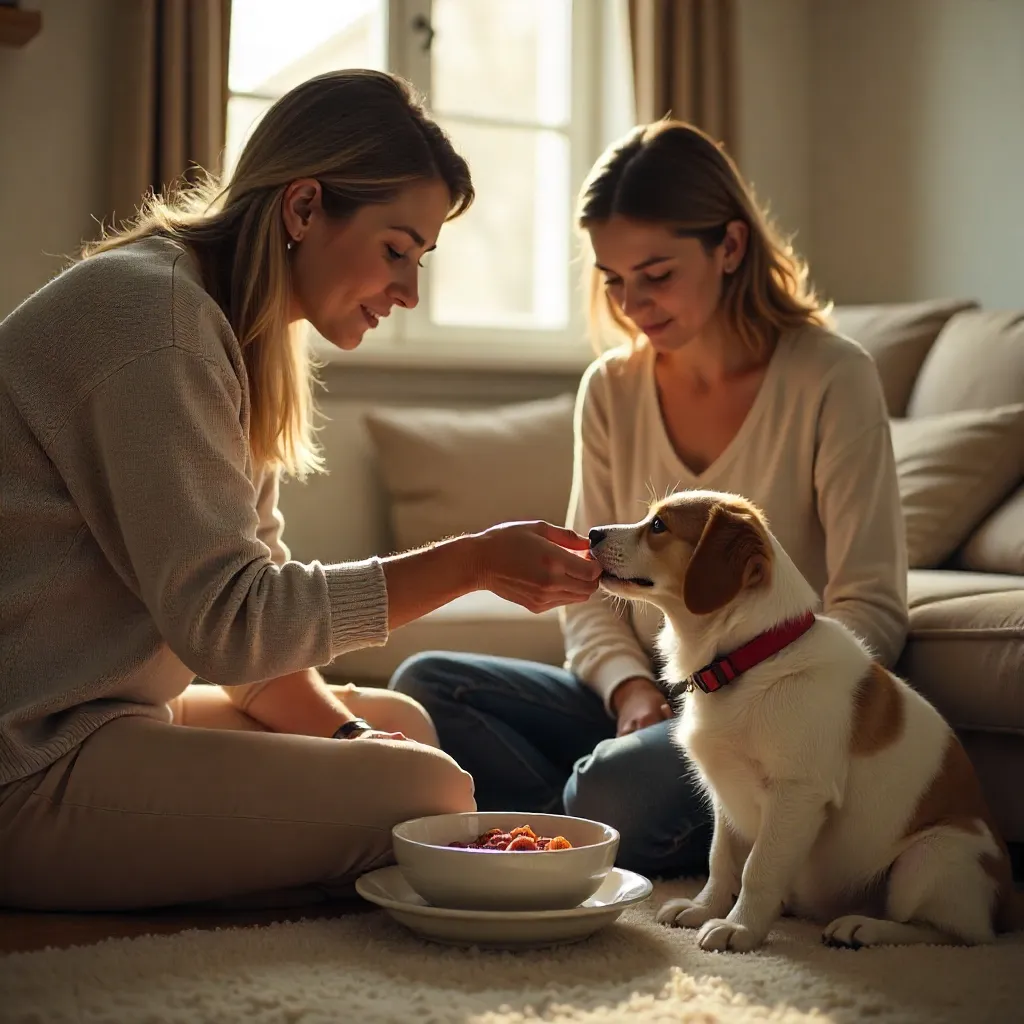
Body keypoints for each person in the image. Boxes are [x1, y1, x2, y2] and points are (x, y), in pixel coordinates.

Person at [0, 69, 602, 912]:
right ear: (305, 207)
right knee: (421, 795)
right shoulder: (159, 326)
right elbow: (236, 627)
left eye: (421, 258)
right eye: (396, 249)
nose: (409, 291)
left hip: (108, 718)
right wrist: (470, 563)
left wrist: (354, 739)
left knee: (408, 735)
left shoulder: (227, 331)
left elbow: (256, 653)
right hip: (28, 758)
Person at [390, 120, 910, 878]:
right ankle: (603, 810)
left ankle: (581, 812)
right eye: (612, 279)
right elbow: (587, 587)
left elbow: (870, 609)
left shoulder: (833, 377)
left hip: (772, 715)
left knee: (615, 784)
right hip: (648, 700)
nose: (632, 302)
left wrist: (731, 706)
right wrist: (633, 691)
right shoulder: (610, 389)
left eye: (657, 274)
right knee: (426, 686)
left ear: (730, 247)